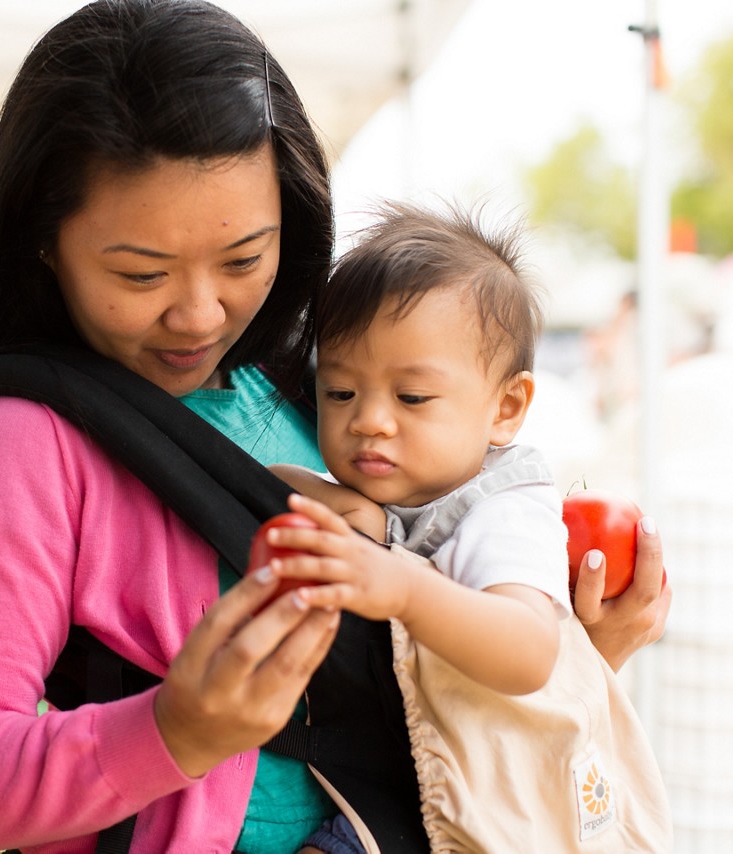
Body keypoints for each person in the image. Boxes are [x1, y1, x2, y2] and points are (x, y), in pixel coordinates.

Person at [0, 2, 671, 851]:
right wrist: (174, 731)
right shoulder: (21, 448)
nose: (199, 312)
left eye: (244, 258)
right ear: (43, 241)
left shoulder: (325, 390)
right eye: (141, 273)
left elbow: (413, 684)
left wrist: (577, 658)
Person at [269, 201, 671, 852]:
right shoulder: (401, 491)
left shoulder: (502, 512)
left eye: (412, 397)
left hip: (490, 810)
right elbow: (282, 487)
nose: (369, 419)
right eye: (341, 392)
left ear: (506, 409)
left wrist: (402, 587)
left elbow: (526, 651)